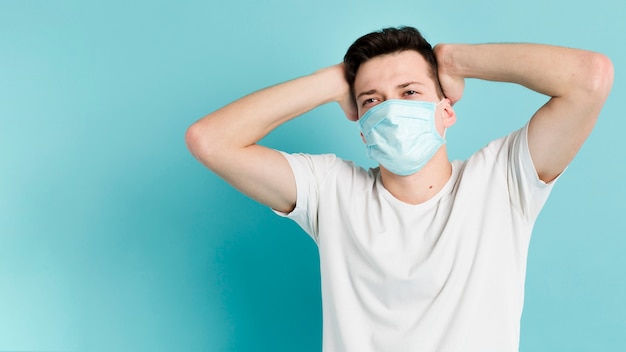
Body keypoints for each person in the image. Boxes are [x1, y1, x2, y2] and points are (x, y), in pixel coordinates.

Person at [185, 26, 613, 351]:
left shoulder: (501, 180)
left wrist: (456, 60)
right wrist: (331, 82)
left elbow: (590, 78)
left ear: (446, 110)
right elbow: (209, 140)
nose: (391, 110)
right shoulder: (332, 192)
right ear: (362, 127)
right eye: (372, 100)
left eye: (409, 92)